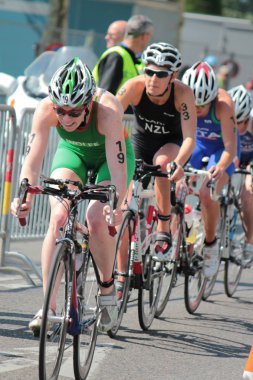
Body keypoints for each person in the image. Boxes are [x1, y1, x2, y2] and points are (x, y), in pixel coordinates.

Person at [10, 57, 135, 333]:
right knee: (57, 217)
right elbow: (32, 161)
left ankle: (106, 288)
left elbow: (117, 168)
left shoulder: (108, 110)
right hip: (74, 154)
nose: (66, 118)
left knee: (97, 218)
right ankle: (48, 306)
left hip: (109, 159)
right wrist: (24, 195)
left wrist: (117, 204)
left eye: (74, 112)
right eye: (61, 111)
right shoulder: (46, 109)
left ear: (89, 104)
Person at [116, 42, 197, 262]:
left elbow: (190, 137)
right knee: (125, 208)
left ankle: (163, 225)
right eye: (149, 71)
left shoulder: (183, 93)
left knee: (162, 164)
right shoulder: (134, 86)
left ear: (172, 76)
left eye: (161, 74)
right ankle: (122, 276)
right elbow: (110, 115)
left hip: (172, 142)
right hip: (141, 141)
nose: (153, 79)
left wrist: (179, 163)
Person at [182, 61, 237, 278]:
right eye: (192, 106)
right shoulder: (182, 100)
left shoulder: (223, 105)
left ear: (213, 98)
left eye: (201, 107)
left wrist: (221, 167)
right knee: (175, 183)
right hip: (197, 144)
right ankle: (179, 234)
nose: (196, 111)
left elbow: (231, 148)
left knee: (207, 192)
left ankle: (211, 244)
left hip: (221, 148)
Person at [93, 14, 154, 95]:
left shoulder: (132, 58)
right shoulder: (116, 56)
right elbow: (105, 95)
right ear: (144, 36)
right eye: (150, 36)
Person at [228, 85, 253, 266]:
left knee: (247, 195)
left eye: (241, 122)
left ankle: (249, 242)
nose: (237, 127)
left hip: (249, 162)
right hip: (230, 158)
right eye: (233, 122)